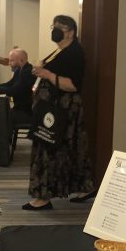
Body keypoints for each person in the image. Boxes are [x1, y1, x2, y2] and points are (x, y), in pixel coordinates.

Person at [23, 15, 95, 210]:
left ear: (71, 32)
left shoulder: (74, 53)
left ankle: (43, 197)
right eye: (53, 26)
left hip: (62, 112)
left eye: (60, 27)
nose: (55, 30)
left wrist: (46, 74)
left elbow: (72, 85)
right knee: (70, 150)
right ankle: (83, 187)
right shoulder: (60, 51)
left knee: (50, 150)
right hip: (53, 109)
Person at [0, 47, 33, 118]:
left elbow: (13, 90)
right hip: (18, 109)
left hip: (24, 112)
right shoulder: (19, 70)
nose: (9, 63)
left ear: (21, 60)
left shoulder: (27, 72)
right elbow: (9, 84)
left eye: (12, 61)